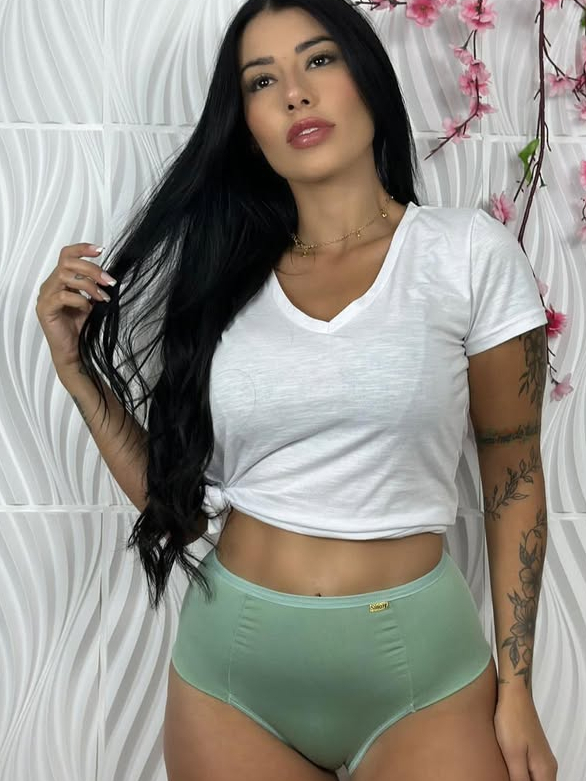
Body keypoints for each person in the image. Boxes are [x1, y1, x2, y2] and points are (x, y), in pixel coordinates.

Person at [35, 1, 557, 780]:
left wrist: (517, 690)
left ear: (368, 80)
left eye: (318, 60)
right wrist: (76, 371)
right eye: (262, 80)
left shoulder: (467, 255)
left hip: (424, 682)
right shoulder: (221, 281)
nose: (294, 94)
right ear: (246, 125)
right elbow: (178, 508)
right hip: (232, 684)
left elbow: (513, 477)